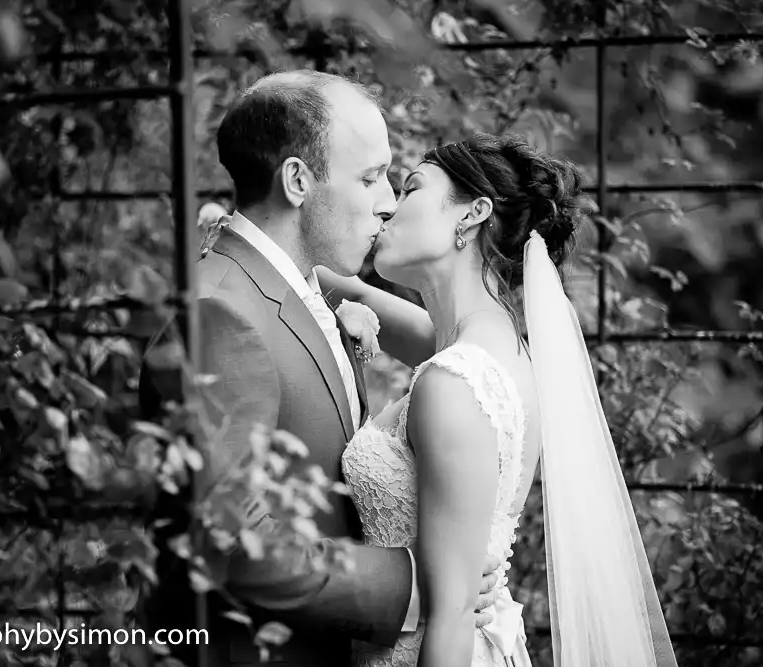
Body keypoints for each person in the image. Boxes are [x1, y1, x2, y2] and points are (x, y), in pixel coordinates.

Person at [146, 70, 504, 667]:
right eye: (370, 178)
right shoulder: (219, 314)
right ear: (297, 181)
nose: (388, 202)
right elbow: (232, 541)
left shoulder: (306, 291)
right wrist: (420, 583)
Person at [332, 134, 678, 666]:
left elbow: (448, 618)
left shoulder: (456, 383)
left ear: (471, 215)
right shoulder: (482, 350)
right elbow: (345, 291)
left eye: (410, 188)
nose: (387, 208)